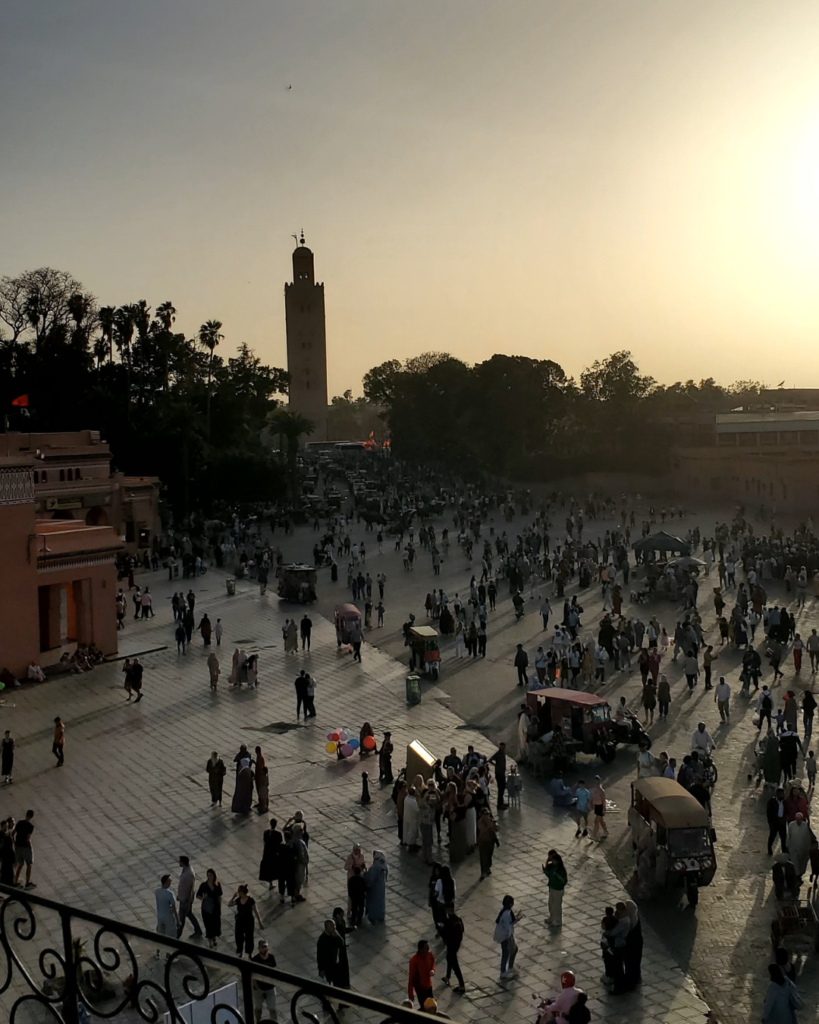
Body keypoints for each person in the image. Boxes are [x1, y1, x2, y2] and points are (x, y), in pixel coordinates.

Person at [228, 884, 263, 957]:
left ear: (242, 892)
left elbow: (256, 911)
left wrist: (260, 922)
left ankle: (249, 952)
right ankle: (240, 951)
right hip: (240, 920)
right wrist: (233, 897)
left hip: (249, 921)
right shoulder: (238, 899)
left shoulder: (250, 900)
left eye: (239, 891)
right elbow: (230, 904)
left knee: (249, 937)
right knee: (238, 936)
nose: (238, 892)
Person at [493, 894, 522, 980]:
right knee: (506, 952)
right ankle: (504, 972)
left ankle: (509, 968)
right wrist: (516, 920)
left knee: (511, 950)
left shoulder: (506, 911)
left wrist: (516, 918)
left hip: (506, 935)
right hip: (505, 936)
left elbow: (510, 922)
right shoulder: (506, 914)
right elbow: (508, 926)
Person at [251, 939, 278, 1021]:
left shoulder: (271, 958)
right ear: (259, 949)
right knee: (258, 1008)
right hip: (258, 989)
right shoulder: (255, 960)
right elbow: (253, 977)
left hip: (270, 987)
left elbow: (275, 971)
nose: (264, 949)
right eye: (262, 947)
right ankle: (257, 1022)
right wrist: (258, 988)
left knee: (272, 1009)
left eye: (265, 947)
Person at [440, 904, 466, 992]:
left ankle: (462, 985)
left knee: (455, 964)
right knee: (449, 958)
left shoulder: (448, 921)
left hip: (451, 944)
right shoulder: (458, 919)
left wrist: (441, 928)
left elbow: (444, 934)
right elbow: (463, 930)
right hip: (457, 944)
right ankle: (447, 976)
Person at [176, 855, 203, 939]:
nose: (178, 862)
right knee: (189, 914)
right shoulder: (185, 870)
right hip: (183, 898)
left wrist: (187, 901)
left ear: (183, 862)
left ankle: (177, 936)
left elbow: (190, 889)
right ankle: (198, 930)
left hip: (185, 900)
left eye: (179, 861)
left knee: (181, 919)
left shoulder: (189, 874)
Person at [196, 868, 223, 949]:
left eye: (210, 875)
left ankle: (214, 938)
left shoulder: (217, 885)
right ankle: (210, 942)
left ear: (214, 875)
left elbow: (219, 897)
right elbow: (198, 895)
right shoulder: (203, 885)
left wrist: (220, 908)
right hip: (206, 909)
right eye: (208, 875)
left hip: (215, 908)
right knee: (208, 925)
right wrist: (203, 898)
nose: (209, 877)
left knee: (215, 925)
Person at [317, 919, 347, 988]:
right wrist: (321, 969)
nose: (334, 928)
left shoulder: (334, 935)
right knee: (327, 984)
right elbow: (320, 956)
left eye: (334, 925)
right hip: (326, 967)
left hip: (335, 964)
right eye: (332, 926)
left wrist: (337, 936)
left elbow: (341, 943)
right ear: (326, 928)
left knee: (337, 983)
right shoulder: (322, 940)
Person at [543, 850, 568, 927]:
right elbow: (548, 873)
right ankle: (552, 917)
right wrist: (547, 863)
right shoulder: (552, 867)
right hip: (552, 888)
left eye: (553, 860)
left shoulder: (561, 870)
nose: (552, 861)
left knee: (557, 905)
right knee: (551, 903)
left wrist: (558, 878)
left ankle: (558, 920)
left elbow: (564, 880)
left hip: (558, 889)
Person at [407, 939, 436, 1007]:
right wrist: (410, 994)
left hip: (429, 986)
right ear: (421, 949)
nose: (428, 949)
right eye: (427, 947)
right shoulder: (414, 961)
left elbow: (433, 962)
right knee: (424, 1008)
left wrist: (432, 970)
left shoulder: (429, 954)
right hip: (420, 988)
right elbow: (411, 978)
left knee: (432, 1006)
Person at [12, 809, 35, 888]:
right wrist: (30, 847)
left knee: (20, 864)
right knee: (29, 864)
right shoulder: (30, 826)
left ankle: (15, 882)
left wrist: (14, 841)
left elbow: (13, 833)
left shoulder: (19, 823)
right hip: (25, 847)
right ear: (32, 816)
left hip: (17, 847)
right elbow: (28, 839)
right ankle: (27, 883)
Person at [366, 849, 388, 923]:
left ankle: (373, 917)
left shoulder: (374, 868)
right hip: (381, 887)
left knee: (374, 903)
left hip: (374, 889)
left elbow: (371, 879)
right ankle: (381, 916)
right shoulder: (383, 865)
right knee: (380, 902)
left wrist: (367, 885)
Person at [154, 874, 179, 942]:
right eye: (170, 880)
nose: (171, 882)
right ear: (166, 881)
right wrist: (178, 920)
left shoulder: (157, 891)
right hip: (168, 917)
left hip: (160, 916)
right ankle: (168, 952)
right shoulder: (169, 893)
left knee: (160, 935)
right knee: (171, 935)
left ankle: (158, 950)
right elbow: (174, 908)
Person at [767, 788, 788, 855]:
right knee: (772, 836)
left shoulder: (784, 802)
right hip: (774, 822)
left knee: (783, 837)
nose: (783, 795)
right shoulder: (771, 802)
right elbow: (769, 814)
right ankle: (769, 848)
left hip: (782, 822)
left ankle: (784, 850)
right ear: (777, 794)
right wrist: (771, 824)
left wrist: (785, 818)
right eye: (781, 794)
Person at [487, 743, 508, 808]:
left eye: (503, 747)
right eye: (501, 747)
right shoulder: (498, 754)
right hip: (499, 774)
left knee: (503, 787)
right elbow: (490, 760)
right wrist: (495, 765)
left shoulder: (503, 753)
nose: (503, 749)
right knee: (500, 788)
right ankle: (499, 804)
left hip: (502, 773)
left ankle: (501, 802)